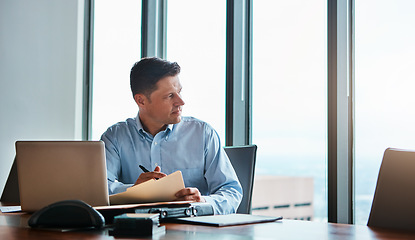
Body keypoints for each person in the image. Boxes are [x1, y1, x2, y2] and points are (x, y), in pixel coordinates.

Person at [101, 57, 242, 215]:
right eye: (169, 96)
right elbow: (99, 190)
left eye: (179, 92)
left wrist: (203, 201)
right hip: (137, 232)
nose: (181, 102)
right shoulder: (114, 137)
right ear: (141, 100)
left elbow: (231, 191)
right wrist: (134, 191)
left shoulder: (203, 134)